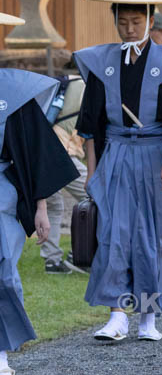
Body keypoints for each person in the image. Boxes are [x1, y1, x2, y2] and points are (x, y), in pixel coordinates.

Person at [74, 0, 162, 342]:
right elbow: (91, 123)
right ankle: (117, 315)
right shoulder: (104, 63)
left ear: (150, 21)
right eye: (123, 22)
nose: (129, 29)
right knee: (113, 234)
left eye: (136, 22)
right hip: (115, 153)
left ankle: (149, 316)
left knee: (153, 235)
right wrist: (92, 170)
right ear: (115, 22)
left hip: (155, 155)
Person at [0, 14, 81, 375]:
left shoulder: (12, 91)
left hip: (3, 190)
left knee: (3, 270)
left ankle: (0, 354)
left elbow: (36, 153)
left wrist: (41, 207)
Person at [39, 74, 88, 274]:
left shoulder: (64, 83)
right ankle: (81, 255)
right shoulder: (86, 87)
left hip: (41, 150)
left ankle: (52, 261)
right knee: (95, 196)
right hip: (62, 152)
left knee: (53, 205)